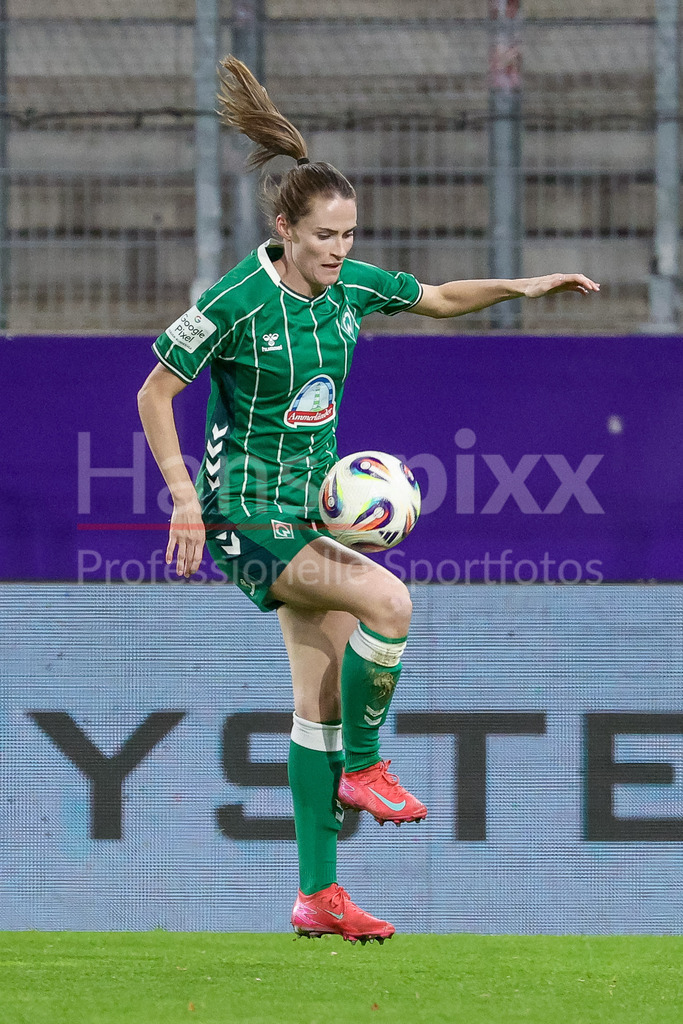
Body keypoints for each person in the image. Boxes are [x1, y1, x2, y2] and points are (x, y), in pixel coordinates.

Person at [137, 56, 599, 945]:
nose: (339, 251)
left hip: (304, 512)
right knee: (389, 599)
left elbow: (432, 297)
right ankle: (368, 766)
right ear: (285, 228)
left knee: (316, 705)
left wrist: (520, 284)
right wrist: (182, 499)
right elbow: (155, 392)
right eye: (324, 237)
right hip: (242, 512)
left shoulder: (350, 285)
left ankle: (318, 895)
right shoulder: (233, 300)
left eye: (348, 235)